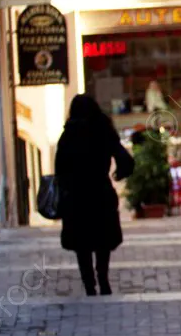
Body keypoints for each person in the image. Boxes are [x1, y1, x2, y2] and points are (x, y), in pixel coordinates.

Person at [55, 94, 134, 296]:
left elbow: (60, 168)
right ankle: (103, 279)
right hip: (100, 191)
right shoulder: (103, 130)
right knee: (102, 239)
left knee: (81, 243)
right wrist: (120, 172)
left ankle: (89, 284)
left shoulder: (69, 134)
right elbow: (122, 155)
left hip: (76, 196)